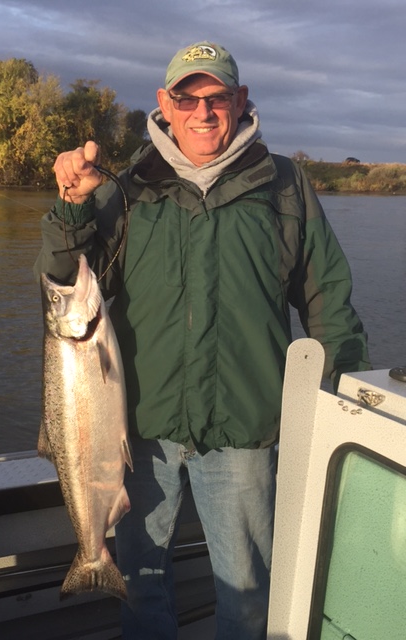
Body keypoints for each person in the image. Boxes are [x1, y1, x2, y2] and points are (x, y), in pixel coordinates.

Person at [34, 41, 370, 640]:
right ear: (165, 103)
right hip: (139, 432)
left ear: (241, 102)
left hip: (245, 432)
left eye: (218, 97)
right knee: (140, 589)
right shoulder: (129, 186)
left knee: (247, 599)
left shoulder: (286, 186)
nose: (203, 111)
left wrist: (343, 405)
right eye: (187, 97)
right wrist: (72, 205)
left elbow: (330, 306)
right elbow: (67, 275)